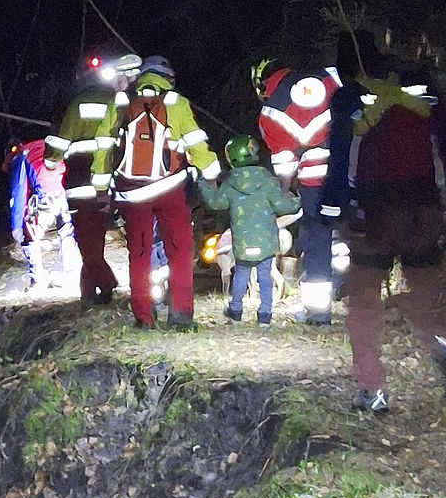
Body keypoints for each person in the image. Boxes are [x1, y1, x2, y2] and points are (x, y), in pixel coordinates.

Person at [321, 29, 446, 415]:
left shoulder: (349, 95)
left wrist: (332, 209)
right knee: (429, 300)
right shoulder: (420, 87)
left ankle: (372, 391)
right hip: (421, 209)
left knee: (362, 303)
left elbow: (339, 157)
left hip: (371, 213)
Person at [90, 54, 221, 330]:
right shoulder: (176, 102)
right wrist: (211, 175)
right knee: (179, 250)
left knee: (139, 253)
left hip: (131, 193)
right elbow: (196, 144)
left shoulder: (122, 102)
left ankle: (144, 317)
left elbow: (103, 145)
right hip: (170, 189)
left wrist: (101, 188)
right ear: (169, 78)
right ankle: (181, 314)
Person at [45, 53, 142, 303]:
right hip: (113, 178)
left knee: (87, 242)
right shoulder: (122, 102)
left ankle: (106, 283)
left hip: (80, 177)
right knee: (96, 239)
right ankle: (89, 294)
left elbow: (62, 140)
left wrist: (50, 159)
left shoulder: (78, 104)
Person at [255, 61, 343, 325]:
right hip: (354, 170)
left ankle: (318, 313)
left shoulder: (270, 111)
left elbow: (284, 162)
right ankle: (360, 294)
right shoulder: (330, 77)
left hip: (316, 181)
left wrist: (283, 192)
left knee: (316, 236)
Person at [199, 136, 301, 327]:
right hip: (266, 241)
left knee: (241, 274)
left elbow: (216, 202)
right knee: (265, 276)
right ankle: (264, 316)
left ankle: (235, 312)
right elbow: (282, 205)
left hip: (242, 242)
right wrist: (298, 200)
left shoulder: (230, 183)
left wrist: (204, 184)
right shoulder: (268, 180)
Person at [2, 136, 77, 290]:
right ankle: (72, 271)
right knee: (67, 231)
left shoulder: (20, 158)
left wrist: (16, 228)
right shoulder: (43, 145)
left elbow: (18, 192)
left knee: (30, 235)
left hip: (46, 198)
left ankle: (37, 279)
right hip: (67, 192)